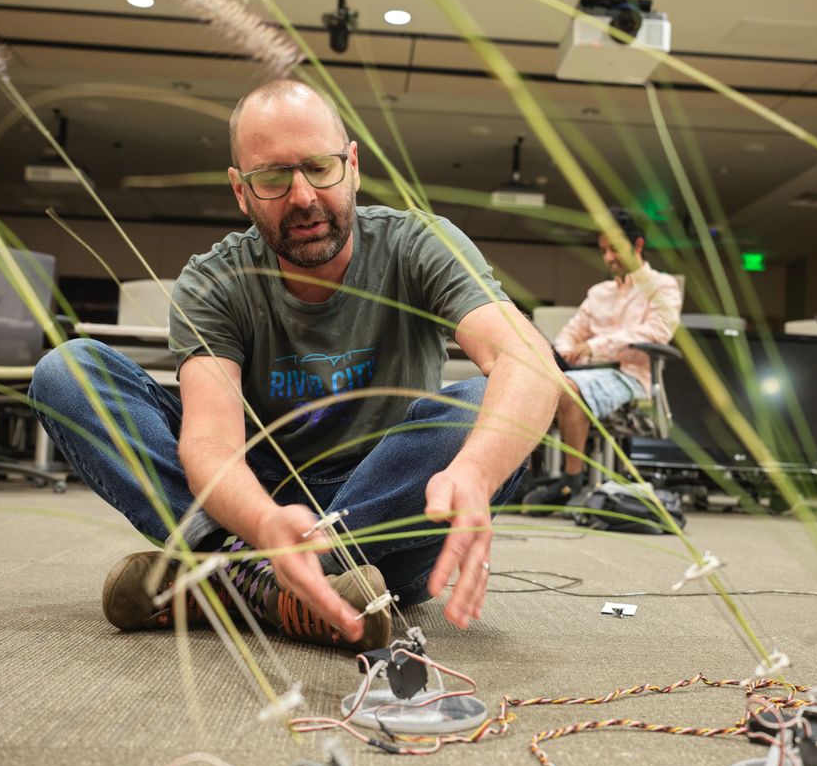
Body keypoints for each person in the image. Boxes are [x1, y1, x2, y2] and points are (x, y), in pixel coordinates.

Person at [28, 79, 560, 652]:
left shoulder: (416, 244)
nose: (303, 196)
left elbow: (528, 359)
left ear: (352, 165)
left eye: (320, 168)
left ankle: (229, 577)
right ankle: (275, 582)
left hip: (381, 509)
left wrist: (475, 471)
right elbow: (210, 441)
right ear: (241, 190)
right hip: (255, 499)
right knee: (68, 370)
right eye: (273, 177)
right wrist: (260, 524)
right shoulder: (215, 280)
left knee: (487, 411)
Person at [523, 209, 682, 511]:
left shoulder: (663, 287)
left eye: (615, 250)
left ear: (637, 246)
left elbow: (657, 332)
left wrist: (595, 346)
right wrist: (567, 350)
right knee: (532, 380)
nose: (608, 258)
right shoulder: (599, 293)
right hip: (586, 372)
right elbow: (571, 334)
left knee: (569, 386)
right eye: (604, 251)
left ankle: (572, 479)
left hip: (631, 375)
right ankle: (529, 475)